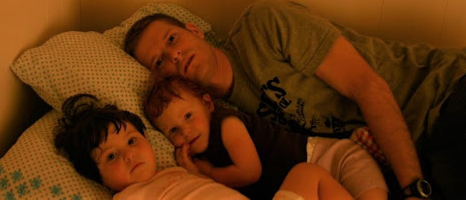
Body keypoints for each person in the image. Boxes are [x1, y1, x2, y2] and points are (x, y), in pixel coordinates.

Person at [123, 0, 466, 200]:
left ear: (194, 30)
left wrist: (414, 189)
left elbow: (368, 86)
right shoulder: (221, 122)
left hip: (450, 93)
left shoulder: (262, 25)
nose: (174, 55)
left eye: (172, 39)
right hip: (422, 152)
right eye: (159, 61)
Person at [54, 93, 354, 200]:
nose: (129, 154)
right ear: (100, 179)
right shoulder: (129, 197)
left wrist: (195, 171)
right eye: (111, 156)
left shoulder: (176, 172)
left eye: (132, 141)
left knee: (307, 173)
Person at [145, 76, 387, 200]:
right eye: (173, 131)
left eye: (188, 116)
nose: (185, 132)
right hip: (312, 186)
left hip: (334, 159)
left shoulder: (227, 124)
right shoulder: (200, 156)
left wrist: (205, 173)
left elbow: (250, 172)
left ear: (208, 104)